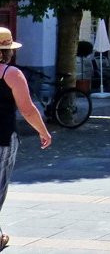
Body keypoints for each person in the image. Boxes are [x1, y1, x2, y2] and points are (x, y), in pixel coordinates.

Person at [0, 28, 52, 249]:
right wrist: (43, 131)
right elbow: (28, 110)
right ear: (8, 51)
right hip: (2, 137)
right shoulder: (11, 74)